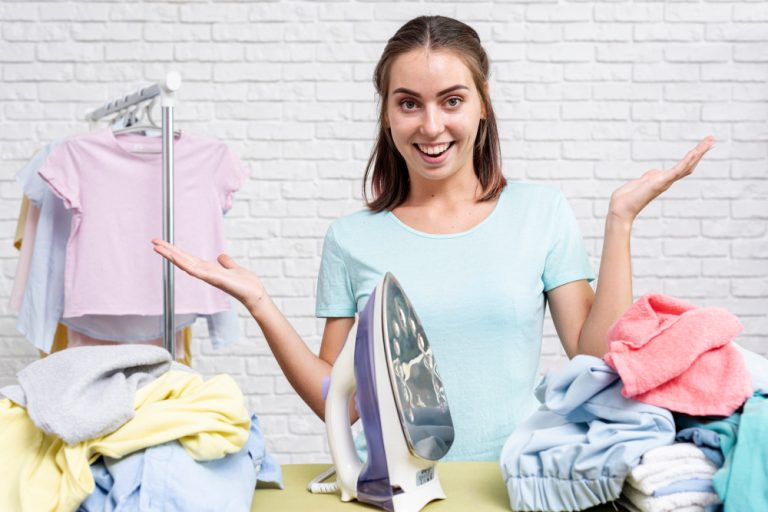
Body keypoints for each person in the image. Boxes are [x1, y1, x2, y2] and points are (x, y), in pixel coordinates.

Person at [152, 16, 714, 461]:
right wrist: (260, 303)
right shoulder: (351, 239)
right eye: (408, 103)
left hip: (512, 482)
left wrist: (620, 222)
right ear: (388, 116)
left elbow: (591, 358)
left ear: (482, 105)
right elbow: (338, 404)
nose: (430, 125)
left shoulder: (541, 212)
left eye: (451, 100)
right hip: (394, 494)